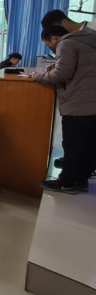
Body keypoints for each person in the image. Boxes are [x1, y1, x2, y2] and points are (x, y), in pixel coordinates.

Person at [30, 25, 96, 193]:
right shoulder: (90, 41)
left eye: (48, 45)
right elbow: (81, 70)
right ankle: (81, 180)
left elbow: (62, 74)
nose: (51, 48)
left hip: (78, 104)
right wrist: (57, 66)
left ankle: (66, 183)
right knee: (88, 146)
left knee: (73, 146)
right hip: (92, 103)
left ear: (54, 38)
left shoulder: (66, 43)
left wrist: (38, 76)